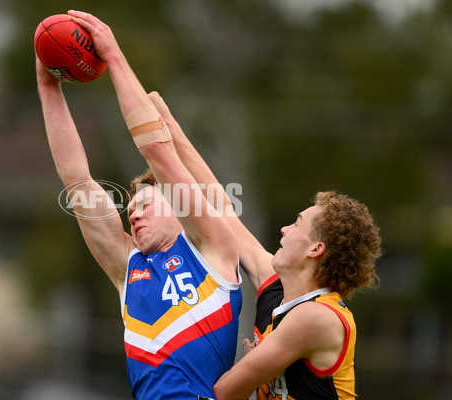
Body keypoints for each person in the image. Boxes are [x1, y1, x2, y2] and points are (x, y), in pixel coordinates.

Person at [36, 10, 242, 400]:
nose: (133, 212)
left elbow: (159, 154)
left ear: (179, 209)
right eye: (132, 207)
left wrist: (113, 57)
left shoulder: (215, 250)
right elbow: (77, 179)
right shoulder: (126, 266)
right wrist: (48, 84)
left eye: (146, 202)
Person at [144, 75, 383, 400]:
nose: (285, 229)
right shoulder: (277, 290)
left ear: (316, 248)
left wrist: (255, 361)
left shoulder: (317, 317)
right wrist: (168, 126)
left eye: (297, 223)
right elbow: (222, 211)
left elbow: (226, 392)